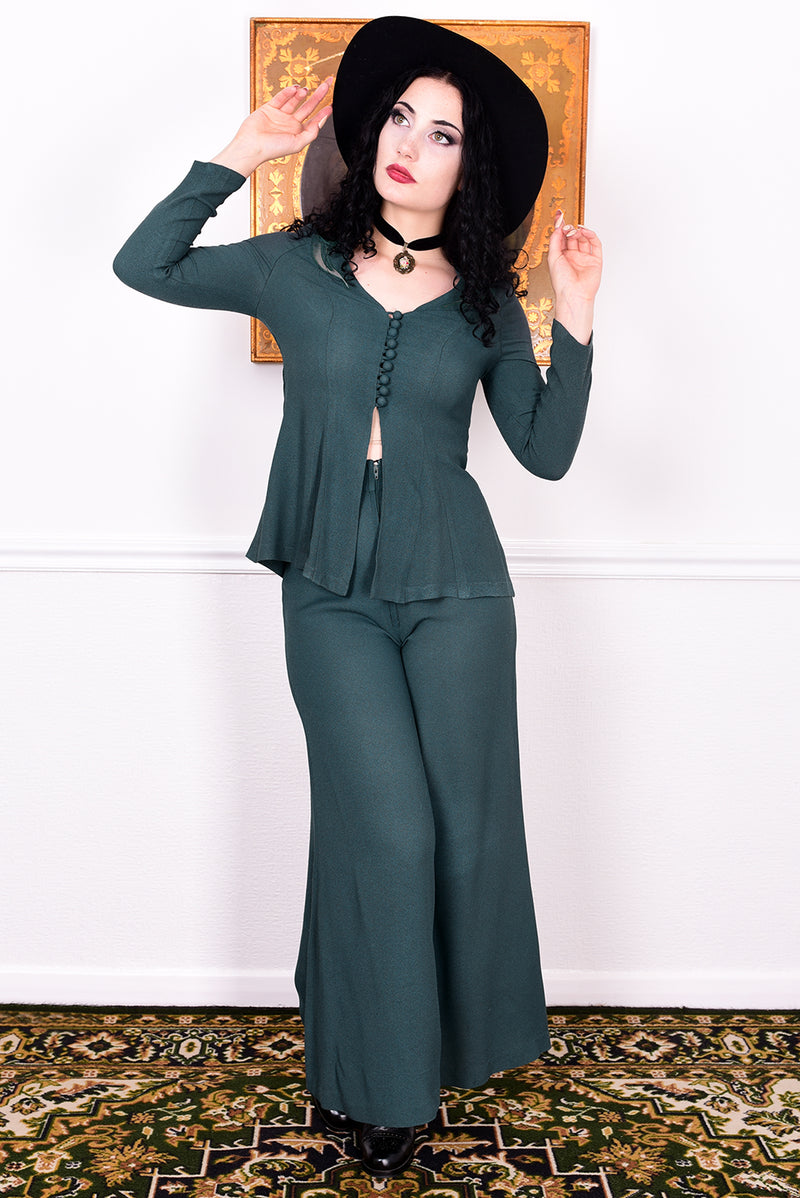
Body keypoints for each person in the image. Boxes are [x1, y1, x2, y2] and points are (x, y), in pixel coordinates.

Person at [113, 15, 602, 1179]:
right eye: (397, 117)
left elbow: (542, 454)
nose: (408, 144)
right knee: (383, 827)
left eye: (440, 134)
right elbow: (146, 265)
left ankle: (396, 1056)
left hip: (461, 597)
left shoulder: (483, 303)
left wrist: (572, 318)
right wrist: (232, 156)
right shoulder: (289, 259)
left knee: (464, 834)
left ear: (464, 169)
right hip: (328, 590)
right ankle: (380, 1089)